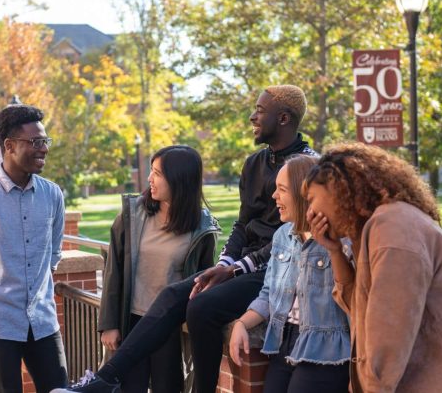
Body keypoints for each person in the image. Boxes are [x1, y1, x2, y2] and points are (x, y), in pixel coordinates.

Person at [57, 85, 317, 393]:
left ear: (284, 118)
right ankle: (105, 379)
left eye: (260, 111)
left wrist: (235, 268)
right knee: (174, 295)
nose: (252, 117)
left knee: (201, 307)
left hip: (276, 269)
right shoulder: (254, 163)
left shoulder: (309, 167)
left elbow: (290, 237)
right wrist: (224, 262)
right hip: (243, 266)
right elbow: (242, 224)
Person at [304, 143, 442, 393]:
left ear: (337, 188)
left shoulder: (392, 226)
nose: (310, 212)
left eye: (311, 199)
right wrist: (334, 251)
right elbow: (361, 310)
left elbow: (387, 335)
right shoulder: (375, 229)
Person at [0, 104, 68, 393]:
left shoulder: (53, 195)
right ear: (9, 145)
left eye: (45, 141)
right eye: (35, 142)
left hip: (43, 320)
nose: (43, 148)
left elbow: (53, 254)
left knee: (59, 389)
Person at [99, 145, 220, 393]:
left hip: (170, 329)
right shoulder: (132, 215)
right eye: (151, 171)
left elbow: (204, 281)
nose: (149, 179)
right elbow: (114, 270)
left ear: (179, 180)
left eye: (157, 173)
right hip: (131, 322)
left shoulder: (202, 227)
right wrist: (109, 323)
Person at [228, 154, 349, 393]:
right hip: (283, 343)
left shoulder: (341, 240)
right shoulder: (283, 235)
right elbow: (268, 294)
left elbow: (353, 300)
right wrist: (241, 323)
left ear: (304, 193)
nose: (274, 197)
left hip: (324, 348)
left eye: (281, 189)